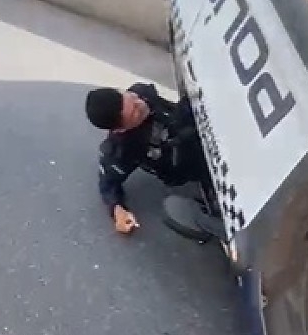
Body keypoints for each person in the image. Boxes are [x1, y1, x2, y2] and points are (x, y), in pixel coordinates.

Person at [84, 83, 213, 235]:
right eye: (135, 112)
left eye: (133, 98)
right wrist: (117, 209)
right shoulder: (123, 149)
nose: (141, 104)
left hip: (198, 122)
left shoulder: (141, 92)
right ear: (120, 129)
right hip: (193, 166)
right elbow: (108, 183)